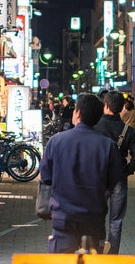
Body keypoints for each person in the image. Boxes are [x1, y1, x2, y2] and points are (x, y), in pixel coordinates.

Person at [39, 93, 123, 253]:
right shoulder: (108, 146)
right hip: (94, 216)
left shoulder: (56, 141)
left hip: (63, 216)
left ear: (77, 113)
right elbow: (113, 182)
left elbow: (46, 177)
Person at [94, 91, 135, 254]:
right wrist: (126, 170)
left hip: (97, 179)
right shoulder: (127, 131)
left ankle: (98, 248)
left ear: (105, 106)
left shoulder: (94, 127)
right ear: (121, 108)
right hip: (119, 179)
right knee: (116, 220)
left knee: (96, 216)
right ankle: (113, 253)